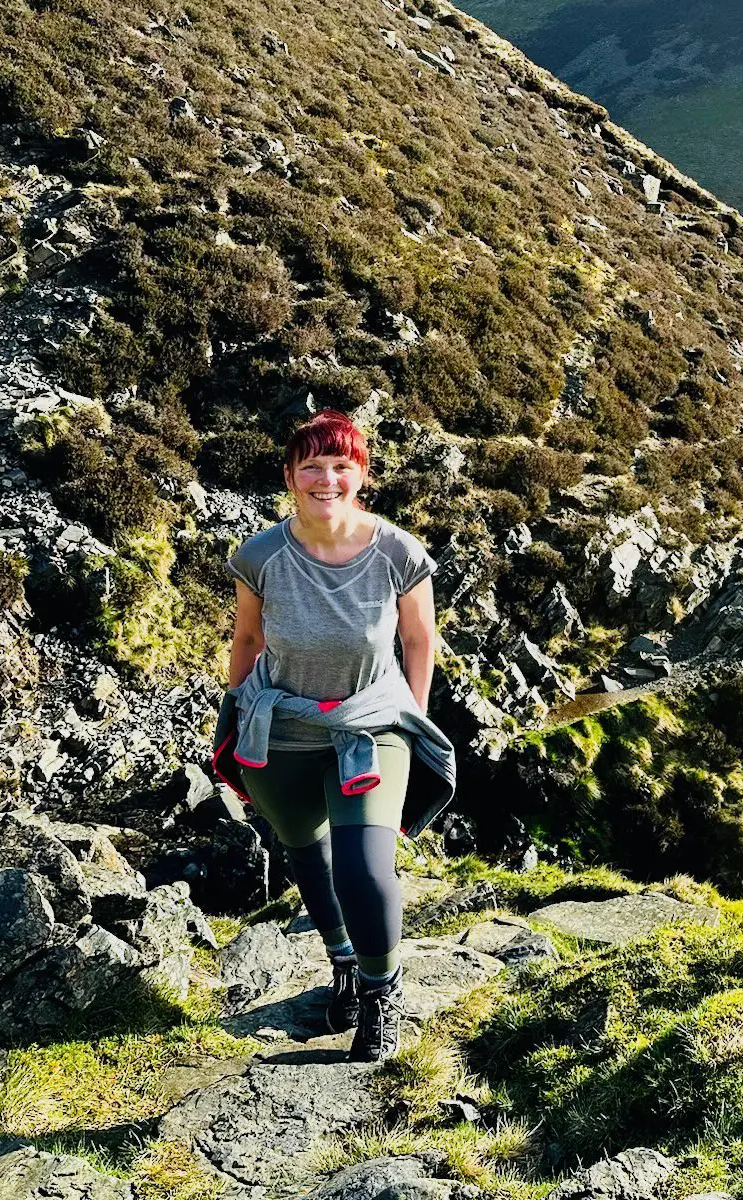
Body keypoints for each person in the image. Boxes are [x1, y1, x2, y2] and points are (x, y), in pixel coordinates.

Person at [209, 409, 456, 1062]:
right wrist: (232, 719)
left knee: (365, 870)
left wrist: (414, 717)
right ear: (290, 476)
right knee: (306, 852)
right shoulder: (260, 556)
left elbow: (419, 640)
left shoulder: (399, 553)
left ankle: (380, 990)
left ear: (361, 474)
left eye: (341, 465)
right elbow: (248, 640)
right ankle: (342, 961)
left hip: (372, 728)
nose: (327, 479)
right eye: (312, 466)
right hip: (280, 729)